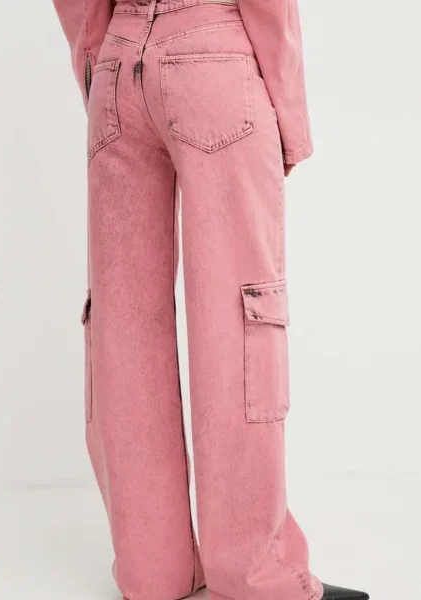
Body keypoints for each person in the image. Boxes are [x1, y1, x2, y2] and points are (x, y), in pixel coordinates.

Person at [52, 1, 369, 600]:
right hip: (213, 52)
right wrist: (291, 119)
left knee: (123, 325)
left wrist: (98, 65)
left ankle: (153, 571)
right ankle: (254, 576)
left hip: (116, 66)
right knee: (237, 317)